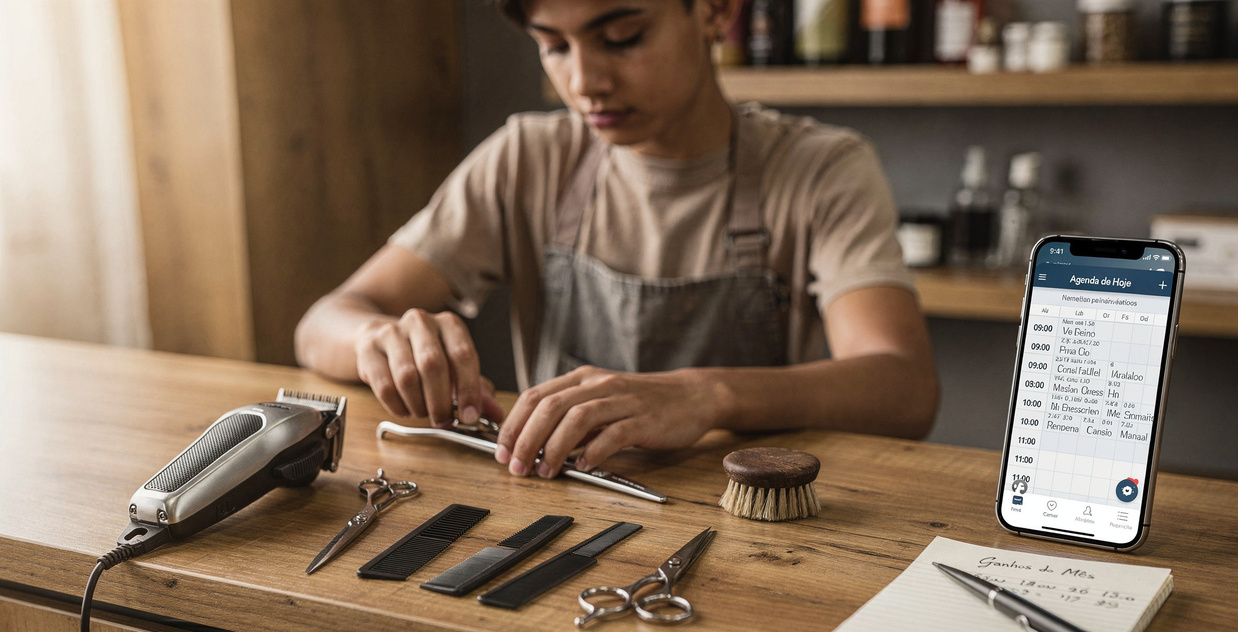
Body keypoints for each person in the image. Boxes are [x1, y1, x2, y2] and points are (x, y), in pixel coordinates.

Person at [295, 0, 939, 481]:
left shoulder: (820, 169)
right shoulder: (528, 157)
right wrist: (379, 340)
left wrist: (706, 394)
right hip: (554, 501)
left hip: (745, 518)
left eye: (622, 39)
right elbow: (323, 322)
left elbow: (903, 387)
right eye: (554, 46)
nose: (584, 82)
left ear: (716, 11)